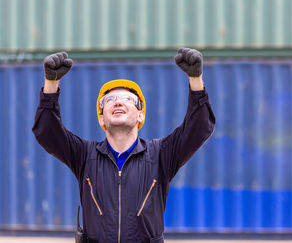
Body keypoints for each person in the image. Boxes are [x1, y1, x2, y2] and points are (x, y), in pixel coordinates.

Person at [32, 48, 216, 243]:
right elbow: (47, 131)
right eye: (109, 100)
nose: (118, 102)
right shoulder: (85, 156)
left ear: (140, 115)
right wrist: (51, 84)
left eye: (128, 99)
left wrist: (196, 80)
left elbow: (198, 128)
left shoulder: (160, 155)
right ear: (102, 119)